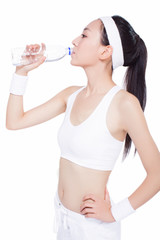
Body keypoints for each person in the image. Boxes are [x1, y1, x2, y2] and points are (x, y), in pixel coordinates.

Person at [6, 15, 160, 240]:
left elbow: (156, 174)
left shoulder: (124, 104)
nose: (75, 40)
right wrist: (21, 72)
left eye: (85, 35)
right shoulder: (71, 95)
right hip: (64, 222)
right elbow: (14, 122)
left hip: (94, 230)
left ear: (105, 52)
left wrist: (116, 213)